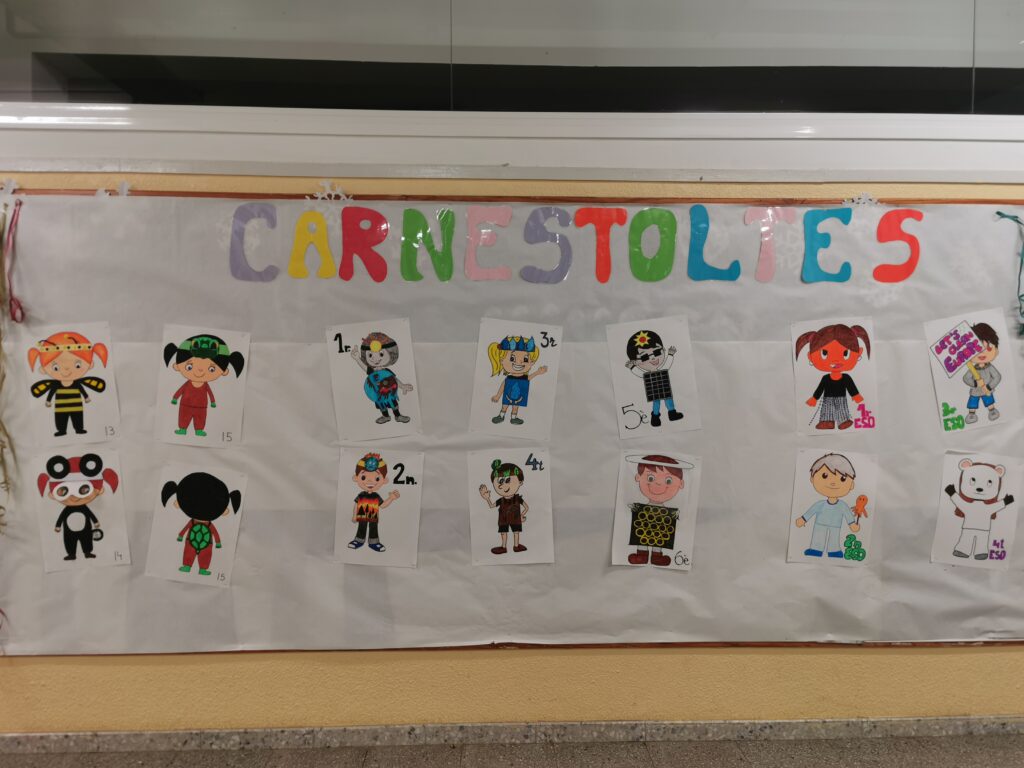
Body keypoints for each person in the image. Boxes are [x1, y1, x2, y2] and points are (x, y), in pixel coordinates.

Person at [37, 454, 118, 561]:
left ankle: (87, 552)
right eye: (63, 491)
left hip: (85, 529)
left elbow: (89, 514)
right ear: (52, 495)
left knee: (86, 539)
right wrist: (58, 526)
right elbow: (62, 516)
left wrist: (95, 522)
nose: (74, 496)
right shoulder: (68, 509)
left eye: (84, 490)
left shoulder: (83, 508)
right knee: (69, 540)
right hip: (69, 530)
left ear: (99, 491)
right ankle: (71, 554)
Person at [28, 331, 109, 436]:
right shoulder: (56, 385)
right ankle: (62, 430)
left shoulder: (76, 383)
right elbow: (51, 392)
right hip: (61, 407)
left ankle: (79, 428)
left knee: (78, 417)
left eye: (78, 365)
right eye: (55, 367)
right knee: (60, 418)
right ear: (43, 369)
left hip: (77, 406)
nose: (66, 369)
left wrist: (86, 397)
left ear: (90, 365)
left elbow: (82, 389)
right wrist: (48, 400)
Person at [162, 472, 242, 576]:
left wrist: (218, 542)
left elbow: (215, 533)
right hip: (193, 541)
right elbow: (186, 528)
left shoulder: (207, 525)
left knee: (205, 555)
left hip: (206, 543)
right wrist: (181, 535)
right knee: (189, 552)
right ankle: (187, 566)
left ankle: (203, 569)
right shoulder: (194, 522)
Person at [164, 334, 245, 437]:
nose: (200, 371)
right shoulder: (187, 384)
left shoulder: (205, 386)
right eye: (189, 366)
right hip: (185, 405)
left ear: (224, 372)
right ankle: (182, 429)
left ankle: (199, 430)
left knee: (200, 418)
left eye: (211, 369)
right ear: (177, 366)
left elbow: (210, 393)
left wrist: (213, 401)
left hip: (201, 407)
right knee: (184, 416)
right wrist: (175, 398)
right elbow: (180, 390)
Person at [794, 323, 871, 430]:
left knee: (842, 409)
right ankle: (826, 422)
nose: (835, 360)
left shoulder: (846, 378)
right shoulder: (825, 378)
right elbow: (820, 388)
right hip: (827, 398)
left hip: (841, 397)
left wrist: (856, 395)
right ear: (810, 357)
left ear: (859, 353)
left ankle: (843, 421)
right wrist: (814, 398)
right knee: (826, 409)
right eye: (824, 353)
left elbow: (851, 387)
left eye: (845, 353)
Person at [795, 453, 864, 558]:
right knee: (818, 536)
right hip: (820, 524)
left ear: (851, 485)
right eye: (825, 476)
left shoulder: (842, 506)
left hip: (835, 526)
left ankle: (834, 551)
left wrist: (852, 525)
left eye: (842, 478)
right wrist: (803, 519)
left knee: (834, 538)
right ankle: (815, 549)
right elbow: (811, 511)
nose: (833, 483)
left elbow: (848, 515)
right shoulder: (820, 504)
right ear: (812, 479)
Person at [625, 454, 690, 566]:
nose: (658, 483)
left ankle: (657, 556)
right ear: (638, 477)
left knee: (660, 537)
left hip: (661, 522)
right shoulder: (642, 509)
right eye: (650, 478)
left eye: (668, 480)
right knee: (642, 534)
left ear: (681, 483)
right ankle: (642, 554)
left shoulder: (668, 512)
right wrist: (634, 508)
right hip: (645, 521)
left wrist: (675, 514)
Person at [351, 332, 413, 424]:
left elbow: (394, 379)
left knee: (394, 404)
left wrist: (402, 386)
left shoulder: (387, 371)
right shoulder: (372, 371)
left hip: (389, 393)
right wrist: (357, 359)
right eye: (370, 355)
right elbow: (364, 367)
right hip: (378, 394)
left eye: (381, 354)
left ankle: (398, 416)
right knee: (381, 406)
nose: (375, 359)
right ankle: (385, 416)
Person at [624, 329, 683, 427]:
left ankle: (672, 413)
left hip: (665, 387)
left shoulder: (663, 369)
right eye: (644, 357)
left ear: (663, 350)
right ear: (635, 361)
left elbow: (667, 365)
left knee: (669, 399)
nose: (653, 358)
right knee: (656, 403)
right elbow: (640, 373)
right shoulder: (646, 374)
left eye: (656, 352)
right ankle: (655, 417)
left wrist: (670, 355)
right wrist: (632, 367)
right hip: (653, 390)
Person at [487, 336, 547, 426]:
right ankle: (501, 416)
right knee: (505, 405)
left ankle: (513, 418)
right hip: (507, 396)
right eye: (512, 359)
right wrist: (498, 396)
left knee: (515, 407)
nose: (519, 363)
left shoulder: (524, 378)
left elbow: (529, 378)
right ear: (502, 361)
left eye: (525, 359)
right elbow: (503, 386)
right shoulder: (508, 378)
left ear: (531, 362)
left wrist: (538, 372)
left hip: (518, 397)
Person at [348, 452, 400, 552]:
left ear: (384, 480)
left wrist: (391, 498)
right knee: (361, 527)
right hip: (362, 515)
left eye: (377, 478)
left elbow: (383, 505)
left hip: (373, 517)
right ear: (356, 478)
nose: (370, 481)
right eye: (363, 477)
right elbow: (356, 504)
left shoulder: (376, 496)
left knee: (373, 529)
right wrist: (354, 516)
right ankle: (358, 540)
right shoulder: (361, 495)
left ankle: (374, 542)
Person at [479, 459, 529, 554]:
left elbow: (526, 507)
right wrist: (487, 498)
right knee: (503, 532)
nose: (503, 485)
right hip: (503, 519)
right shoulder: (501, 500)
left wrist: (522, 515)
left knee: (516, 532)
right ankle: (503, 547)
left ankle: (516, 546)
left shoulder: (518, 498)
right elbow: (491, 506)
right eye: (500, 481)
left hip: (515, 518)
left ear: (520, 482)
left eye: (508, 480)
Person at [962, 322, 1001, 424]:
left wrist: (989, 386)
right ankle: (971, 414)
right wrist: (975, 383)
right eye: (977, 350)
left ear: (996, 351)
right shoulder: (972, 369)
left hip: (986, 389)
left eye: (988, 349)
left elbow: (997, 377)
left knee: (989, 400)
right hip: (975, 390)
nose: (982, 353)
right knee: (973, 401)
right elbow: (966, 378)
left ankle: (992, 411)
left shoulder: (990, 368)